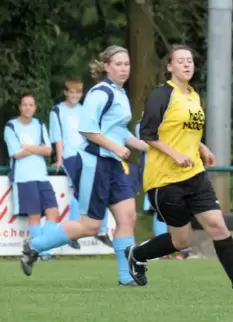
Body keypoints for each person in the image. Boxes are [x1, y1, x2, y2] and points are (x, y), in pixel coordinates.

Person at [124, 44, 233, 295]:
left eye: (189, 60)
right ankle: (137, 255)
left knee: (218, 226)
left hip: (194, 174)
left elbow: (181, 131)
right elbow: (148, 134)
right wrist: (176, 155)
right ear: (170, 67)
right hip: (164, 180)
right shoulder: (161, 95)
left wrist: (201, 148)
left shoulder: (193, 96)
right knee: (182, 241)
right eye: (180, 61)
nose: (186, 64)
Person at [20, 45, 148, 287]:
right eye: (118, 64)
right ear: (106, 67)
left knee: (127, 217)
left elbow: (120, 130)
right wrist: (116, 147)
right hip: (95, 164)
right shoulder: (100, 93)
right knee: (89, 225)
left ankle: (127, 278)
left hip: (113, 165)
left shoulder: (120, 93)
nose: (123, 69)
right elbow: (87, 130)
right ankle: (34, 246)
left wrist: (147, 147)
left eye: (127, 64)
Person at [49, 80, 112, 250]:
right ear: (65, 92)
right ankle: (74, 232)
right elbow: (58, 136)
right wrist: (60, 157)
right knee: (80, 191)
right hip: (71, 155)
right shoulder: (57, 111)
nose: (74, 95)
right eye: (71, 92)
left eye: (77, 92)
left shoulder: (84, 109)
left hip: (88, 154)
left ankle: (101, 229)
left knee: (97, 188)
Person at [4, 94, 60, 261]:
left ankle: (39, 248)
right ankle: (44, 253)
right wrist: (38, 149)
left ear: (35, 107)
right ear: (20, 107)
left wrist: (28, 147)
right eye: (25, 104)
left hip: (41, 175)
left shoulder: (40, 124)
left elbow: (48, 150)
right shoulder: (11, 127)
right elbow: (16, 154)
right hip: (23, 177)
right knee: (34, 215)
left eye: (31, 105)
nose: (28, 108)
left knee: (53, 212)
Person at [134, 119, 193, 260]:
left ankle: (179, 246)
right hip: (154, 171)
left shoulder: (174, 119)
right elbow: (145, 144)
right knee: (159, 209)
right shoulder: (143, 123)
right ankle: (163, 249)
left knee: (179, 205)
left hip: (174, 170)